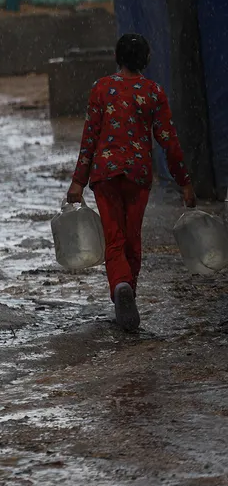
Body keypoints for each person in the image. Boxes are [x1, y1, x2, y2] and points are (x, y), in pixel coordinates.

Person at [66, 33, 196, 332]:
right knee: (132, 239)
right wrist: (185, 183)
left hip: (105, 174)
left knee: (114, 238)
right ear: (146, 60)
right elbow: (169, 142)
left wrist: (78, 182)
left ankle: (121, 287)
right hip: (138, 175)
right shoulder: (153, 92)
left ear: (117, 57)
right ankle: (129, 292)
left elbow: (89, 138)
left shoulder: (101, 88)